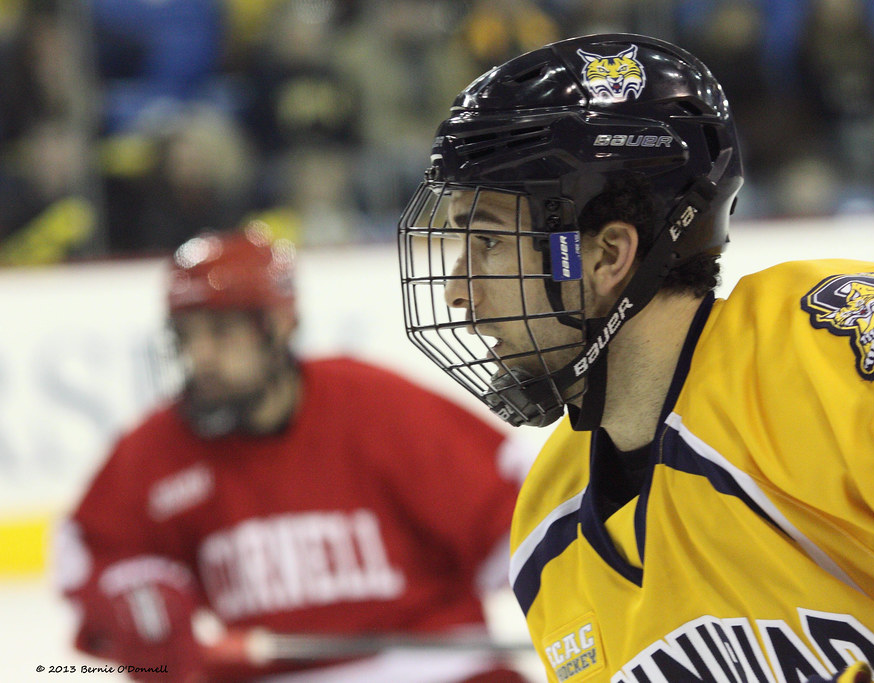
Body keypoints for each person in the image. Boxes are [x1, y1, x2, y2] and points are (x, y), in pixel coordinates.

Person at [396, 33, 874, 681]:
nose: (458, 291)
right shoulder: (547, 530)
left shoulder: (850, 346)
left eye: (489, 242)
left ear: (609, 255)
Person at [56, 223, 533, 682]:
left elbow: (518, 507)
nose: (200, 356)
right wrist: (130, 593)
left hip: (434, 669)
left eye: (221, 333)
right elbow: (85, 549)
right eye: (187, 336)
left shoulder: (373, 405)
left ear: (279, 325)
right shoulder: (161, 447)